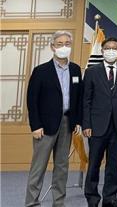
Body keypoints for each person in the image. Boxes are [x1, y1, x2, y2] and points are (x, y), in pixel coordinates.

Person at [25, 30, 83, 207]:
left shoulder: (75, 69)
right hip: (44, 126)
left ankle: (59, 202)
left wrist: (77, 121)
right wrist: (35, 125)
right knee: (39, 167)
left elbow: (78, 98)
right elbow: (32, 100)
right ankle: (32, 203)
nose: (64, 47)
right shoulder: (41, 71)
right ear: (52, 47)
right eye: (60, 44)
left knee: (62, 167)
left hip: (67, 123)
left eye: (67, 44)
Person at [82, 36, 117, 207]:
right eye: (107, 48)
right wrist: (86, 124)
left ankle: (110, 198)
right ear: (102, 51)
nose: (111, 51)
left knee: (113, 164)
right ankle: (92, 198)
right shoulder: (92, 72)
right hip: (96, 126)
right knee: (94, 163)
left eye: (114, 48)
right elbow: (86, 100)